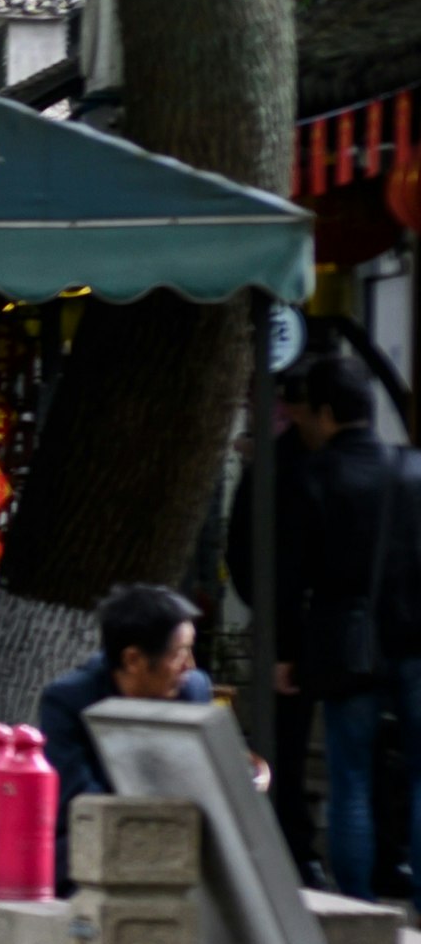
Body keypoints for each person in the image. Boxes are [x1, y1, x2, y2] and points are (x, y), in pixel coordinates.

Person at [231, 351, 421, 902]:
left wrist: (286, 650)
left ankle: (358, 903)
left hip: (346, 650)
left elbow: (289, 576)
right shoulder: (413, 470)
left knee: (351, 780)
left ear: (327, 412)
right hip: (415, 643)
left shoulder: (312, 477)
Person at [33, 583, 215, 888]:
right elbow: (78, 804)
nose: (190, 666)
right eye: (180, 653)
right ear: (133, 660)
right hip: (99, 839)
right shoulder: (68, 700)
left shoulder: (193, 689)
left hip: (177, 834)